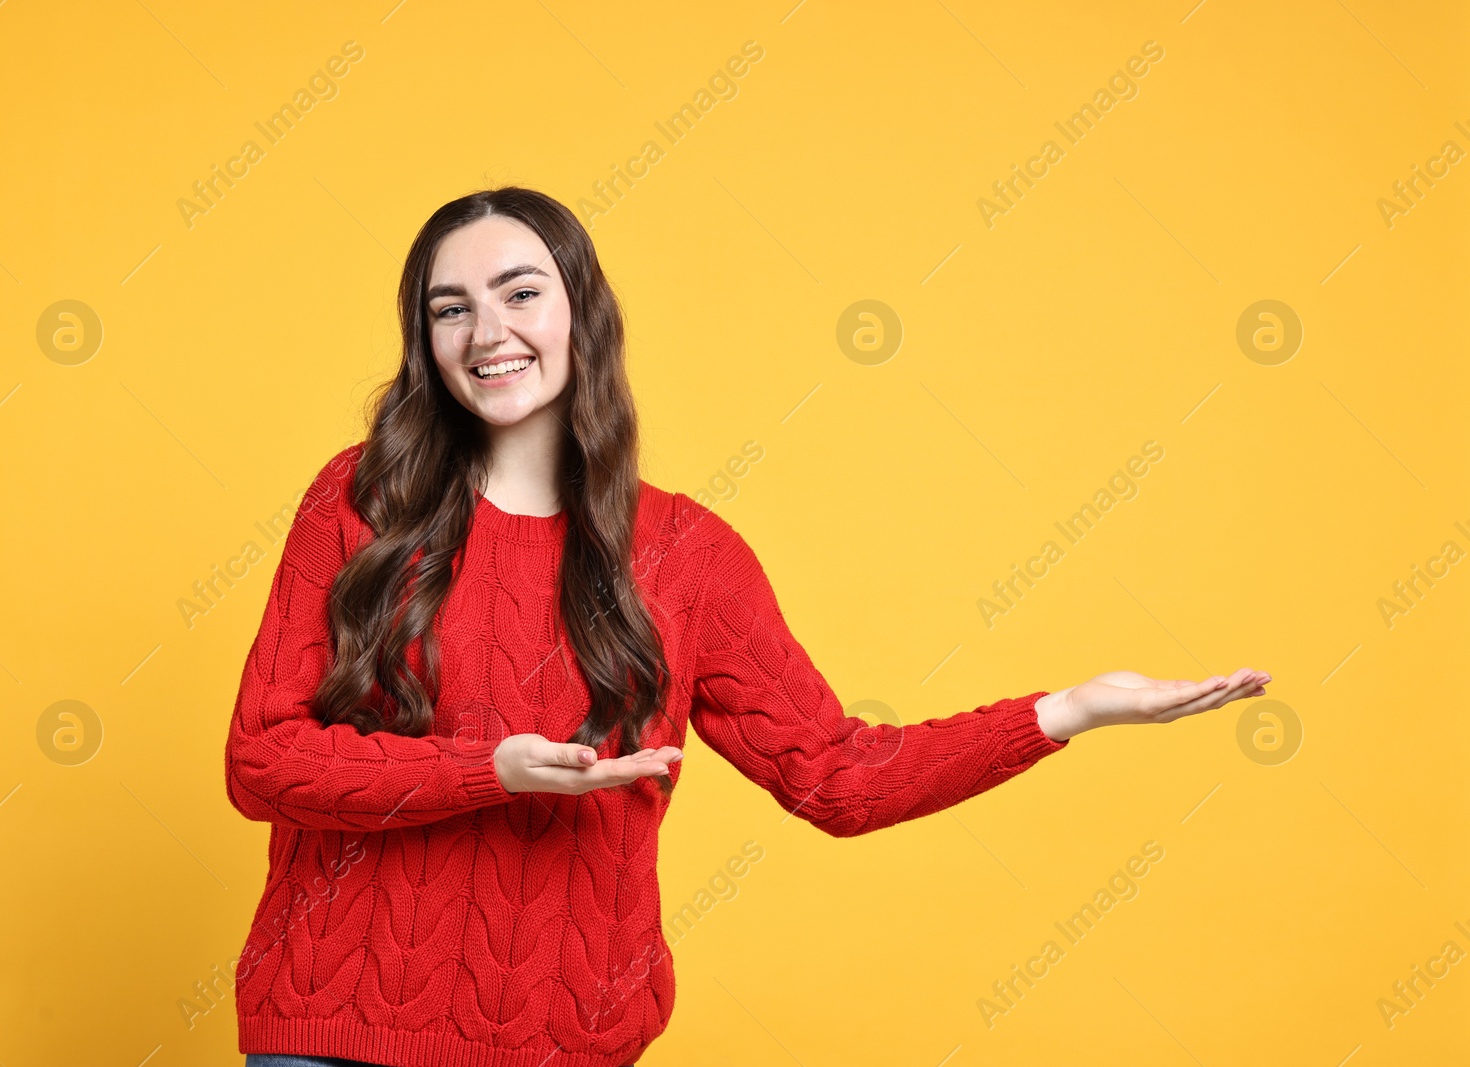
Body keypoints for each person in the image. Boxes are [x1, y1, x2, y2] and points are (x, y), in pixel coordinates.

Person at [223, 186, 1270, 1067]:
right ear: (427, 341)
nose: (488, 331)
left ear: (580, 311)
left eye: (520, 292)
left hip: (562, 1038)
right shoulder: (359, 504)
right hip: (328, 1029)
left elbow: (839, 777)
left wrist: (1067, 709)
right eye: (450, 308)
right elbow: (260, 762)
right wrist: (490, 770)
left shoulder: (688, 555)